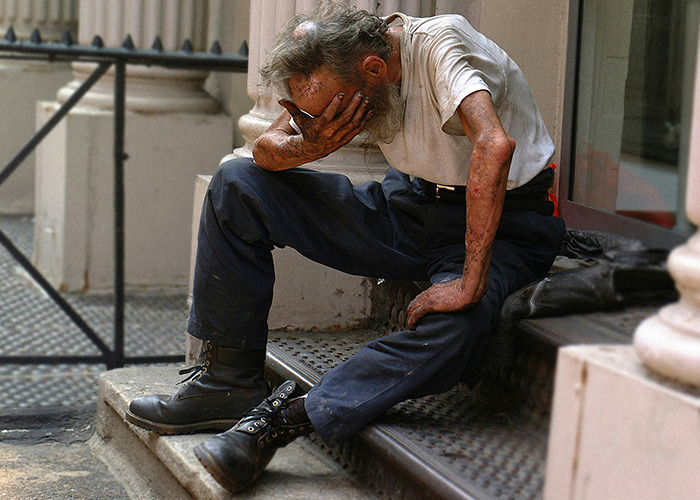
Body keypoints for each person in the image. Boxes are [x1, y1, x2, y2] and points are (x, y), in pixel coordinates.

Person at [126, 2, 566, 493]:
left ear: (373, 70)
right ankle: (226, 383)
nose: (320, 119)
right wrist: (308, 145)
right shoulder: (336, 66)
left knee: (460, 329)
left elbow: (494, 144)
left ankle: (283, 420)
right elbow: (266, 149)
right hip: (411, 205)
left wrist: (469, 281)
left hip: (505, 221)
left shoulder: (442, 44)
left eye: (330, 107)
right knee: (237, 183)